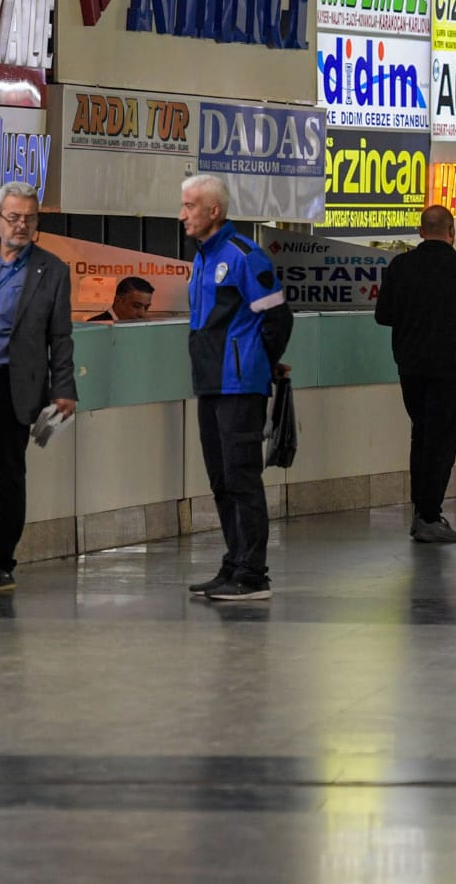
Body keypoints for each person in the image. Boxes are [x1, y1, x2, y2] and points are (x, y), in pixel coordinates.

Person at [0, 181, 76, 594]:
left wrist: (65, 388)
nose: (21, 225)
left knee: (10, 479)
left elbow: (60, 337)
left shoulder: (52, 270)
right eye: (13, 217)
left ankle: (2, 564)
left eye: (29, 218)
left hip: (13, 388)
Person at [179, 175, 293, 601]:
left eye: (190, 206)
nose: (182, 214)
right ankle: (234, 562)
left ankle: (253, 573)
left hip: (239, 386)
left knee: (242, 477)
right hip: (209, 384)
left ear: (215, 212)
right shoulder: (203, 258)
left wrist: (258, 365)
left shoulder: (245, 256)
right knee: (220, 478)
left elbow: (278, 318)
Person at [374, 206, 456, 544]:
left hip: (410, 365)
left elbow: (383, 315)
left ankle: (421, 512)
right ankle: (429, 515)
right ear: (451, 231)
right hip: (452, 367)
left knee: (421, 433)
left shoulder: (401, 267)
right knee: (442, 439)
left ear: (420, 230)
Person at [86, 276, 155, 323]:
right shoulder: (94, 325)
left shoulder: (140, 328)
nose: (142, 314)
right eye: (136, 306)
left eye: (146, 308)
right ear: (118, 300)